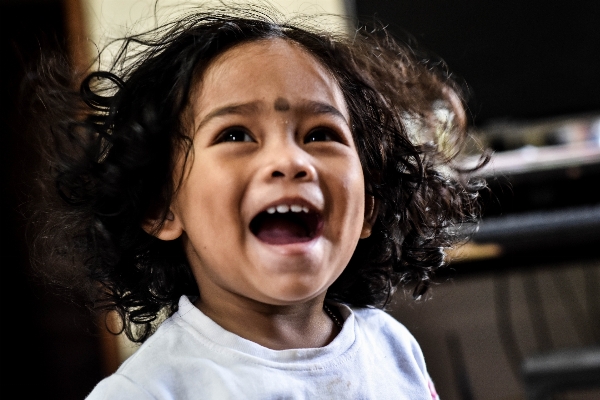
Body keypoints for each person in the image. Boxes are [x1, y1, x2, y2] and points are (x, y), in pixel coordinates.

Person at [31, 5, 485, 399]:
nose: (290, 160)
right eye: (235, 135)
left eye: (320, 135)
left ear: (369, 204)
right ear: (160, 206)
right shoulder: (149, 391)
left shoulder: (392, 347)